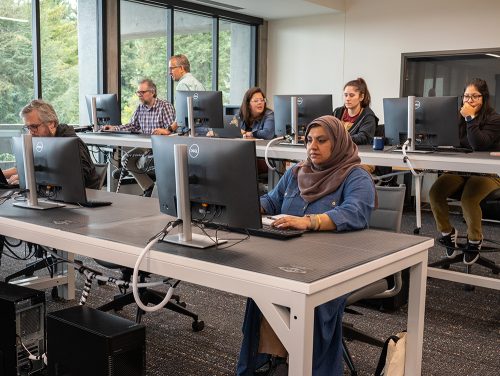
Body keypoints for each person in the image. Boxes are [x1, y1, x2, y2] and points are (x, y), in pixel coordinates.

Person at [236, 115, 376, 376]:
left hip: (335, 265)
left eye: (322, 141)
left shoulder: (356, 177)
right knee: (259, 287)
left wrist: (308, 221)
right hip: (289, 256)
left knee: (310, 298)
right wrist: (250, 204)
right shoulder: (297, 172)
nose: (313, 146)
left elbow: (355, 213)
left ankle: (309, 367)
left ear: (339, 143)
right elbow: (273, 200)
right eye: (309, 140)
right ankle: (264, 361)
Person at [429, 78, 500, 265]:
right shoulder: (456, 117)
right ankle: (448, 233)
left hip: (488, 173)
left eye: (475, 96)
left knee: (468, 199)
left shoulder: (494, 119)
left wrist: (470, 119)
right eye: (466, 96)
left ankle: (475, 240)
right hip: (461, 170)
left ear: (484, 98)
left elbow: (478, 144)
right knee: (435, 192)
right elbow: (449, 140)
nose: (469, 101)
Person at [3, 99, 99, 189]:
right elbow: (23, 167)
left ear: (52, 124)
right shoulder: (40, 141)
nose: (30, 133)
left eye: (34, 126)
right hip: (50, 197)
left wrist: (32, 179)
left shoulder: (71, 143)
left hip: (79, 202)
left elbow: (79, 178)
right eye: (28, 128)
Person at [102, 78, 176, 195]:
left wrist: (165, 131)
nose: (139, 95)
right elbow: (132, 126)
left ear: (152, 92)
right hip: (145, 146)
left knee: (140, 162)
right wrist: (114, 128)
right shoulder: (140, 108)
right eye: (138, 92)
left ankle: (126, 170)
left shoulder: (164, 107)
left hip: (160, 148)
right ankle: (148, 187)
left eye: (143, 92)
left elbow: (172, 130)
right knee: (126, 159)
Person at [333, 77, 378, 145]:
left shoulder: (368, 116)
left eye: (351, 95)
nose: (347, 99)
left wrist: (340, 139)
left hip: (356, 152)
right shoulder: (337, 112)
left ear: (361, 97)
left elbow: (363, 137)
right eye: (345, 95)